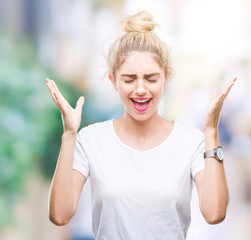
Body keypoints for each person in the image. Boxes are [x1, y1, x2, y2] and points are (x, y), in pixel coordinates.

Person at [46, 11, 237, 239]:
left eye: (151, 78)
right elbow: (60, 214)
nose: (140, 89)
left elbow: (214, 213)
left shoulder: (191, 141)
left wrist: (211, 132)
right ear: (113, 81)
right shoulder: (91, 139)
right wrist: (69, 135)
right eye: (129, 79)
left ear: (167, 78)